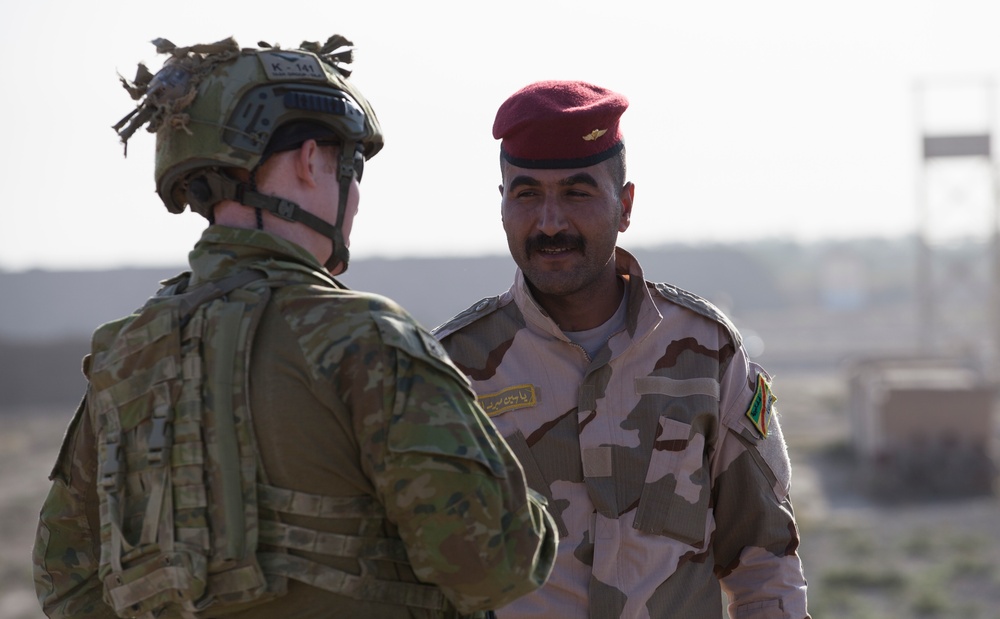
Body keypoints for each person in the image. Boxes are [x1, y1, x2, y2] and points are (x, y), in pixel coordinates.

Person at [32, 36, 556, 619]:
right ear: (310, 161)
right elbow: (496, 563)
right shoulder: (366, 338)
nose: (354, 198)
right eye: (350, 169)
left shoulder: (123, 356)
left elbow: (67, 584)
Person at [433, 80, 809, 619]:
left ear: (625, 205)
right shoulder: (454, 368)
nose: (550, 222)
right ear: (502, 205)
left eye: (577, 193)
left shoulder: (706, 353)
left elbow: (765, 561)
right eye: (527, 194)